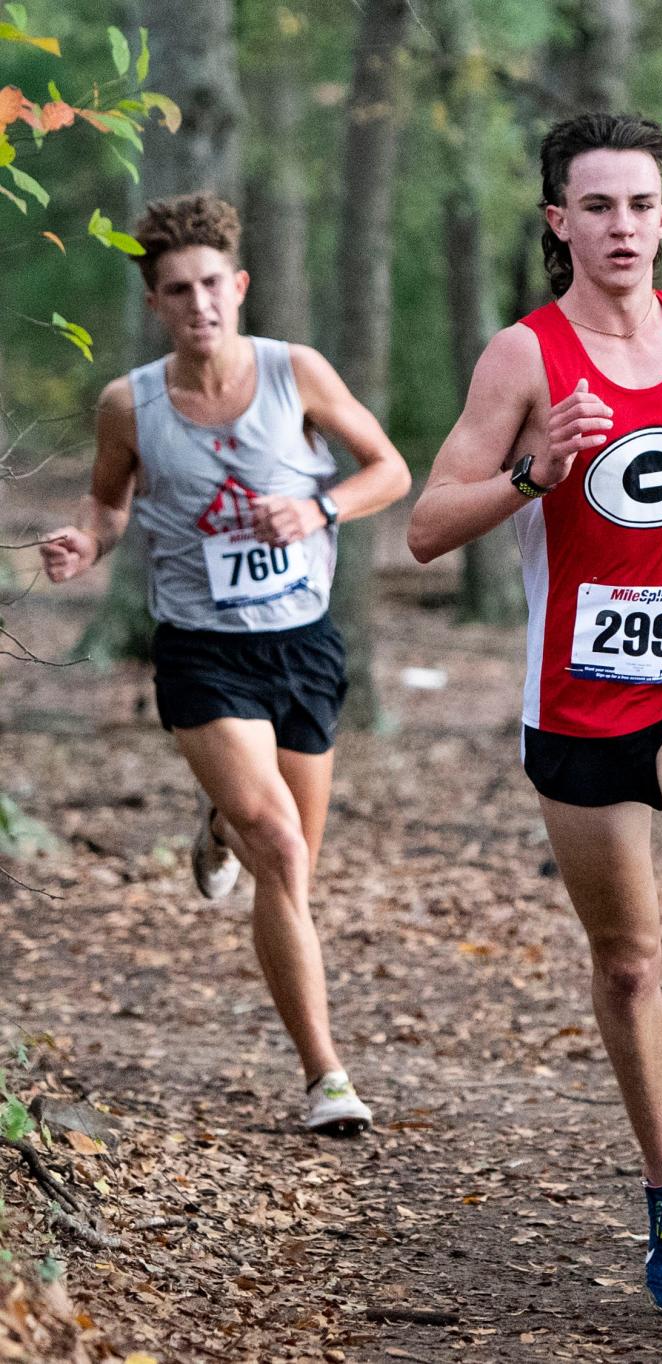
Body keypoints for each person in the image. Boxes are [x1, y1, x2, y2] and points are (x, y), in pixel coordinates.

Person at [408, 113, 662, 1312]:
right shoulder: (522, 358)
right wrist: (535, 471)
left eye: (641, 206)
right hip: (576, 698)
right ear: (557, 221)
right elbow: (425, 525)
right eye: (598, 207)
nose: (622, 227)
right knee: (627, 964)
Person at [41, 193, 411, 1136]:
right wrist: (86, 543)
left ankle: (218, 818)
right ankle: (326, 1075)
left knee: (294, 871)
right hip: (202, 651)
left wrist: (320, 509)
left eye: (213, 284)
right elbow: (107, 505)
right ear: (156, 304)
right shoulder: (132, 403)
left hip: (303, 644)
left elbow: (389, 470)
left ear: (238, 287)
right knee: (279, 847)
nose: (199, 302)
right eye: (178, 290)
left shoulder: (297, 374)